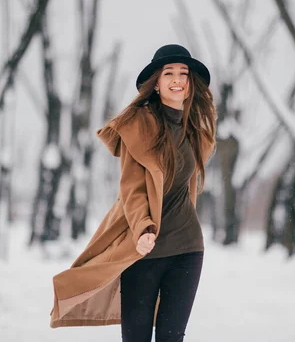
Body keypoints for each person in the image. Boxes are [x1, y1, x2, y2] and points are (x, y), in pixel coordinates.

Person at [50, 44, 217, 342]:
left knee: (171, 337)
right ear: (156, 82)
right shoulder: (139, 126)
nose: (177, 79)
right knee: (136, 337)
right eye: (169, 73)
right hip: (144, 248)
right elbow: (132, 188)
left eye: (184, 73)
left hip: (188, 249)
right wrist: (143, 229)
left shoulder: (194, 130)